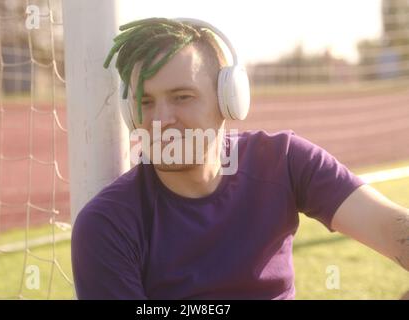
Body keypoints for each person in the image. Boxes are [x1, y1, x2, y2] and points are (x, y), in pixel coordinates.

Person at [71, 17, 409, 299]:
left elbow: (388, 226)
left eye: (182, 96)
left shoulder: (283, 160)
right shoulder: (107, 225)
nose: (161, 119)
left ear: (228, 100)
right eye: (146, 102)